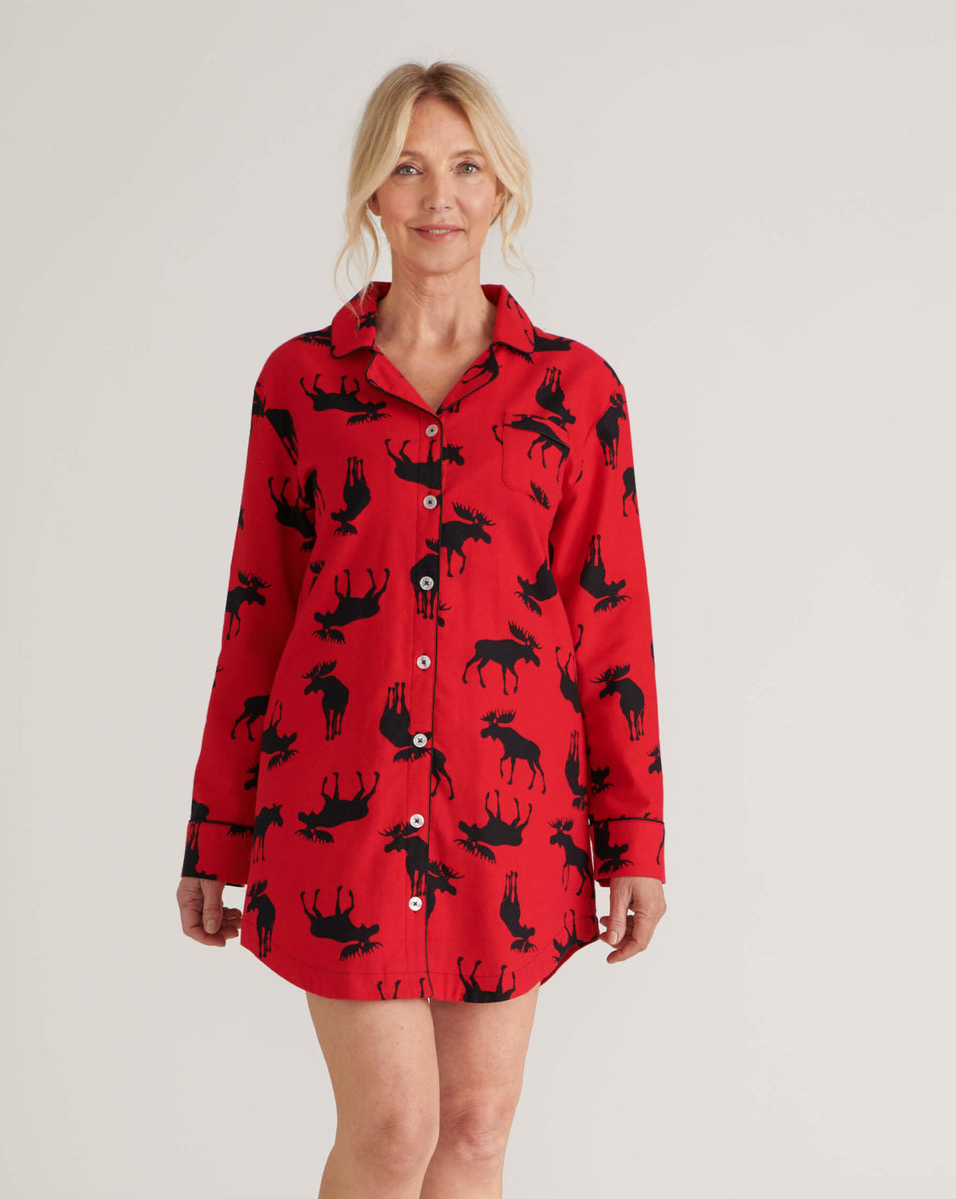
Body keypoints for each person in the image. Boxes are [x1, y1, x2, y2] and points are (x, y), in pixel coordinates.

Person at [176, 60, 667, 1198]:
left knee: (478, 1129)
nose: (438, 196)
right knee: (394, 1130)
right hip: (339, 804)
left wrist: (635, 835)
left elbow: (610, 625)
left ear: (502, 190)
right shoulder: (300, 385)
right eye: (406, 168)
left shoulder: (576, 394)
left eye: (464, 167)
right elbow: (258, 615)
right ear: (371, 193)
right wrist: (217, 830)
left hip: (513, 815)